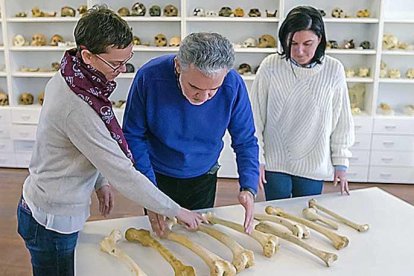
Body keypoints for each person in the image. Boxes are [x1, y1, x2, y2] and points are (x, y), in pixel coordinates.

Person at [17, 6, 204, 276]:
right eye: (116, 63)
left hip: (51, 205)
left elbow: (86, 144)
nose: (122, 69)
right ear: (87, 55)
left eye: (127, 60)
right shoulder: (76, 105)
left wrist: (99, 180)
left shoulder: (76, 76)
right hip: (51, 221)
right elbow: (122, 172)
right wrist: (176, 210)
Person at [123, 32, 259, 235]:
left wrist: (248, 186)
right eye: (195, 87)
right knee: (161, 237)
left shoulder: (233, 84)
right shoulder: (150, 77)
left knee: (198, 236)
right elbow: (133, 135)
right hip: (157, 175)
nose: (203, 97)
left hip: (204, 175)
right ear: (178, 66)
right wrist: (149, 193)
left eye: (213, 89)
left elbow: (245, 139)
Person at [250, 6, 355, 201]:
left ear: (320, 40)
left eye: (307, 43)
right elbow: (255, 118)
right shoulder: (270, 66)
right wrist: (257, 160)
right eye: (293, 43)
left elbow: (342, 120)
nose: (299, 51)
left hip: (313, 163)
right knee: (277, 217)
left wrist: (341, 163)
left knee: (305, 216)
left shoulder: (334, 69)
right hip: (275, 162)